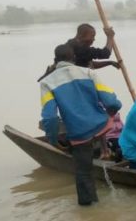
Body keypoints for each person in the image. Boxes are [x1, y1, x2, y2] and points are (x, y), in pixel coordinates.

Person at [40, 44, 122, 205]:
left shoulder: (47, 83)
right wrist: (110, 114)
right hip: (101, 127)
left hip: (79, 135)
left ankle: (89, 208)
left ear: (55, 60)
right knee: (89, 162)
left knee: (84, 172)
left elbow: (49, 118)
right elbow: (111, 101)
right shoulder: (88, 72)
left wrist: (53, 140)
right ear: (74, 58)